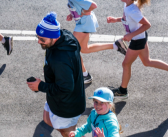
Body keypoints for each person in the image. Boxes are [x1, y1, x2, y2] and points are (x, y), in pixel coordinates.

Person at [27, 12, 86, 137]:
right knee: (47, 119)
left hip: (67, 107)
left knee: (67, 133)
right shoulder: (66, 35)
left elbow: (65, 88)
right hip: (59, 100)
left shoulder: (60, 60)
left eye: (42, 39)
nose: (38, 41)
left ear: (55, 38)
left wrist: (41, 86)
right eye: (37, 37)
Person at [108, 0, 168, 99]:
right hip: (141, 38)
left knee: (126, 64)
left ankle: (123, 91)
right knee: (147, 62)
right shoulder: (128, 4)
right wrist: (116, 19)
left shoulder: (132, 10)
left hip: (137, 40)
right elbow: (127, 18)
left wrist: (131, 35)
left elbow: (147, 24)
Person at [66, 0, 128, 84]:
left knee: (70, 48)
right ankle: (115, 45)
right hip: (84, 22)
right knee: (84, 49)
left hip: (84, 24)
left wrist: (84, 11)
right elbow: (79, 6)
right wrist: (72, 14)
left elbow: (93, 5)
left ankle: (85, 75)